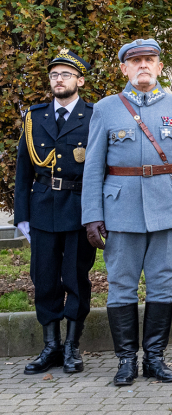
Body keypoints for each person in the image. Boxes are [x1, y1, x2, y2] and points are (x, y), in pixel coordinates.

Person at [81, 38, 172, 387]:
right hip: (121, 209)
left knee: (163, 286)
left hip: (168, 207)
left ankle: (155, 359)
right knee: (121, 287)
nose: (143, 65)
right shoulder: (106, 108)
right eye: (136, 61)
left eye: (150, 59)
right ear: (124, 69)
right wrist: (92, 214)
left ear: (160, 66)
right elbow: (93, 168)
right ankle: (125, 361)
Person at [14, 49, 96, 375]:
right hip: (44, 207)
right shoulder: (35, 117)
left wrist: (99, 212)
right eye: (53, 75)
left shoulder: (93, 115)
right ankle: (51, 346)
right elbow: (23, 169)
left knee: (76, 278)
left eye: (65, 74)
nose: (58, 80)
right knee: (44, 277)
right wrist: (22, 214)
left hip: (78, 206)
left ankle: (73, 347)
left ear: (80, 80)